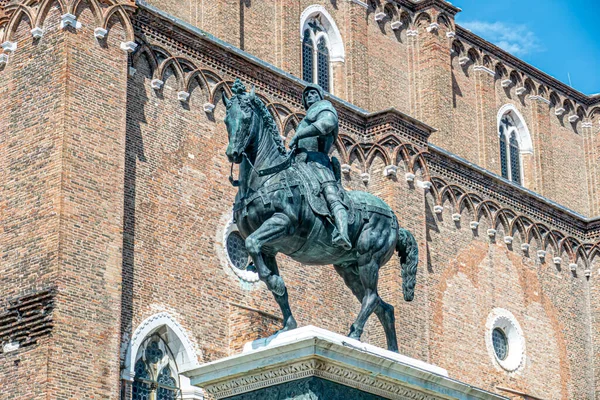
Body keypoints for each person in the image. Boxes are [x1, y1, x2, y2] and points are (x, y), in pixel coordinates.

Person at [289, 83, 351, 250]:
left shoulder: (325, 108)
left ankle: (343, 233)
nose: (309, 96)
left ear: (319, 96)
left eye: (313, 93)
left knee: (331, 195)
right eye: (306, 94)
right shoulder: (307, 118)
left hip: (318, 161)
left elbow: (327, 124)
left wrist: (299, 134)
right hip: (300, 161)